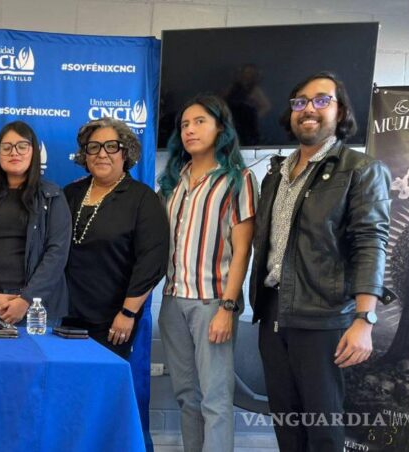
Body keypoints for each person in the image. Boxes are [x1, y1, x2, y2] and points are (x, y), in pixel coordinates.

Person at [249, 72, 391, 451]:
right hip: (273, 312)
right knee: (287, 424)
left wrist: (364, 318)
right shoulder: (276, 174)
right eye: (300, 102)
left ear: (340, 111)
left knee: (324, 430)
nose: (308, 108)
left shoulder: (361, 170)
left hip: (324, 318)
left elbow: (371, 244)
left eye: (321, 100)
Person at [157, 95, 258, 452]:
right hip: (172, 302)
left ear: (220, 128)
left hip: (212, 303)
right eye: (184, 124)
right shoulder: (172, 181)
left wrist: (228, 308)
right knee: (187, 395)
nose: (190, 130)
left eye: (200, 121)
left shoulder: (238, 180)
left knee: (215, 398)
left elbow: (243, 250)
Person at [62, 117, 169, 359]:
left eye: (111, 146)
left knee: (104, 381)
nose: (102, 154)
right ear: (85, 155)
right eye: (94, 147)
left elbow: (152, 261)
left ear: (125, 153)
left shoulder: (142, 199)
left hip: (114, 320)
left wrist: (128, 313)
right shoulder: (70, 194)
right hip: (66, 317)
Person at [0, 121, 71, 325]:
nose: (14, 152)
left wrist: (26, 300)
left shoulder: (52, 196)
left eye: (22, 146)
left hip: (38, 308)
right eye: (7, 147)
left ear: (33, 151)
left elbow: (57, 253)